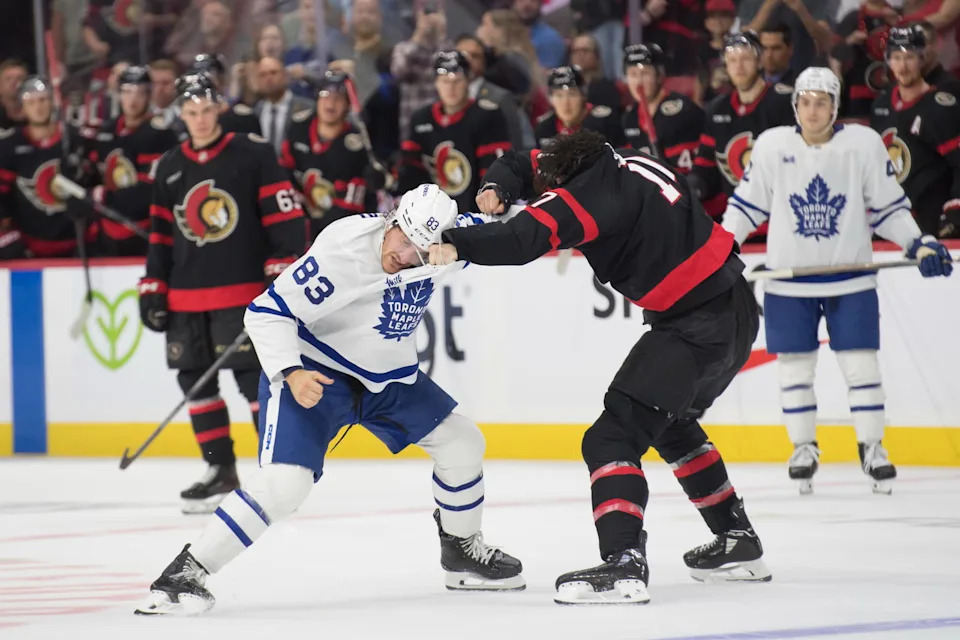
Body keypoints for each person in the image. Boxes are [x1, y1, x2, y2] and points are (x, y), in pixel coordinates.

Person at [134, 184, 525, 615]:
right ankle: (184, 573)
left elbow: (506, 225)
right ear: (392, 219)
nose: (406, 257)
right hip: (316, 370)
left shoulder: (448, 244)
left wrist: (508, 195)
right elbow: (265, 312)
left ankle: (460, 552)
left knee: (462, 443)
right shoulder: (342, 251)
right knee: (286, 485)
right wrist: (291, 372)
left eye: (421, 251)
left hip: (385, 376)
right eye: (403, 242)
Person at [428, 130, 771, 604]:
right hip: (735, 309)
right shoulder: (623, 161)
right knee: (671, 425)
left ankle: (623, 562)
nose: (544, 186)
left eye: (551, 183)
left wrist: (450, 242)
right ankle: (737, 542)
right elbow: (521, 162)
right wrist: (497, 188)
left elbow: (519, 239)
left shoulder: (587, 196)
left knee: (610, 437)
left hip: (694, 325)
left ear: (568, 177)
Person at [722, 67, 954, 495]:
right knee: (795, 367)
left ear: (835, 105)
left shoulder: (862, 145)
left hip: (851, 277)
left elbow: (889, 208)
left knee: (861, 364)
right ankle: (803, 448)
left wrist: (917, 243)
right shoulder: (772, 145)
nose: (813, 110)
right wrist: (721, 248)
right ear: (796, 106)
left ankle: (872, 447)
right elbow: (745, 207)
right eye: (806, 102)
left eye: (822, 102)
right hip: (789, 283)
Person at [139, 72, 305, 513]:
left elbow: (285, 215)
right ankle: (220, 470)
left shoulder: (252, 153)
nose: (199, 120)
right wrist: (153, 285)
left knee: (254, 381)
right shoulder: (170, 166)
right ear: (180, 114)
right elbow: (159, 235)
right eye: (190, 113)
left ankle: (276, 471)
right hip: (185, 297)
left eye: (206, 111)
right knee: (194, 383)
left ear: (220, 108)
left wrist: (282, 264)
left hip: (242, 293)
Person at [691, 31, 795, 222]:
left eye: (745, 58)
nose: (739, 66)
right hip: (737, 221)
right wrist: (692, 187)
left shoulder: (785, 101)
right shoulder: (716, 109)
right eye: (732, 60)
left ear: (760, 62)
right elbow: (704, 169)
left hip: (781, 219)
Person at [78, 66, 178, 256]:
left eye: (140, 93)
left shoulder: (160, 133)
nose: (133, 100)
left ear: (149, 96)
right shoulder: (106, 131)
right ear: (119, 94)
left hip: (145, 233)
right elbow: (92, 174)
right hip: (107, 232)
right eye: (127, 92)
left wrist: (103, 196)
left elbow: (149, 193)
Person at [871, 26, 960, 238]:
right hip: (891, 219)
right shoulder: (881, 104)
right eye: (896, 58)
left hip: (930, 220)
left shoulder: (941, 107)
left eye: (909, 57)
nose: (902, 67)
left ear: (922, 59)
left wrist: (954, 209)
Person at [399, 50, 512, 214]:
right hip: (431, 216)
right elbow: (411, 173)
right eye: (445, 81)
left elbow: (495, 172)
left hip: (477, 215)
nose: (451, 88)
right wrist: (392, 179)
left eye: (457, 81)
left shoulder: (488, 115)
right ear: (436, 83)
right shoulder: (421, 119)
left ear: (468, 81)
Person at [0, 77, 93, 259]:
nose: (38, 107)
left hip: (77, 243)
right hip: (29, 246)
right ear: (23, 108)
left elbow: (94, 182)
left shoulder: (76, 139)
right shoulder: (9, 146)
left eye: (43, 100)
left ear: (52, 102)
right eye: (31, 102)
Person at [280, 70, 381, 238]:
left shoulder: (356, 144)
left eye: (338, 97)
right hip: (300, 217)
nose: (331, 103)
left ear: (348, 104)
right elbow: (283, 172)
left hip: (339, 231)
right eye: (325, 94)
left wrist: (318, 234)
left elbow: (349, 205)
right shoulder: (298, 127)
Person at [621, 44, 705, 176]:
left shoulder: (683, 109)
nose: (638, 82)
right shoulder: (629, 118)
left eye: (645, 73)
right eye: (632, 74)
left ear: (660, 75)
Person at [534, 66, 623, 148]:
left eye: (572, 94)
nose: (566, 103)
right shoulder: (544, 128)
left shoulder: (605, 122)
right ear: (550, 99)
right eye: (559, 96)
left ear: (583, 95)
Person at [254, 57, 313, 157]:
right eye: (262, 75)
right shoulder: (255, 112)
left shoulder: (307, 108)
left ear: (285, 75)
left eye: (273, 73)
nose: (268, 78)